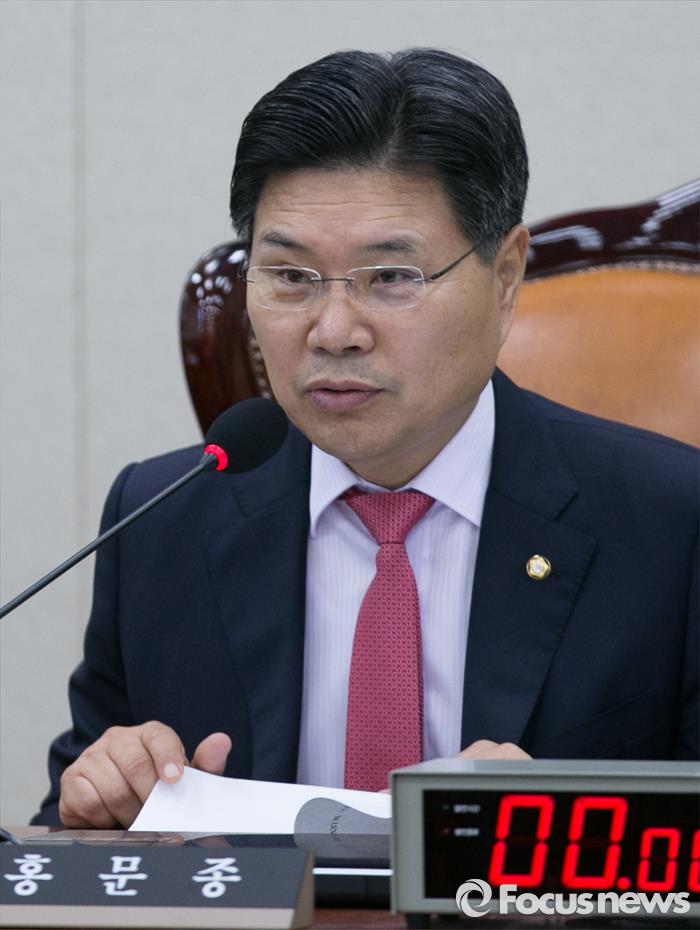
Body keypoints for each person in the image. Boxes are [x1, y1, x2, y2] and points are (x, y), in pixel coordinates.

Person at [34, 48, 698, 828]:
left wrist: (563, 841)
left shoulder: (671, 523)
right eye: (290, 277)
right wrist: (104, 803)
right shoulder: (160, 520)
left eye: (391, 278)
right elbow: (67, 835)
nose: (334, 330)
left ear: (506, 276)